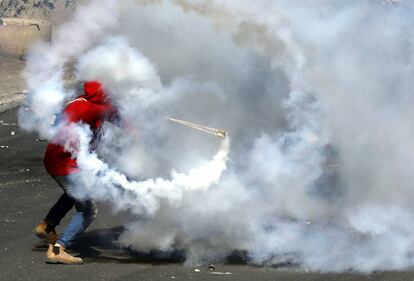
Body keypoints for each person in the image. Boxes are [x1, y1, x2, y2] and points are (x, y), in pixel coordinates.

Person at [34, 81, 119, 264]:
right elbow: (120, 119)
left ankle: (48, 226)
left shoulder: (78, 103)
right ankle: (58, 249)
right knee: (88, 210)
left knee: (72, 193)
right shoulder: (94, 109)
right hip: (65, 165)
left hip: (57, 160)